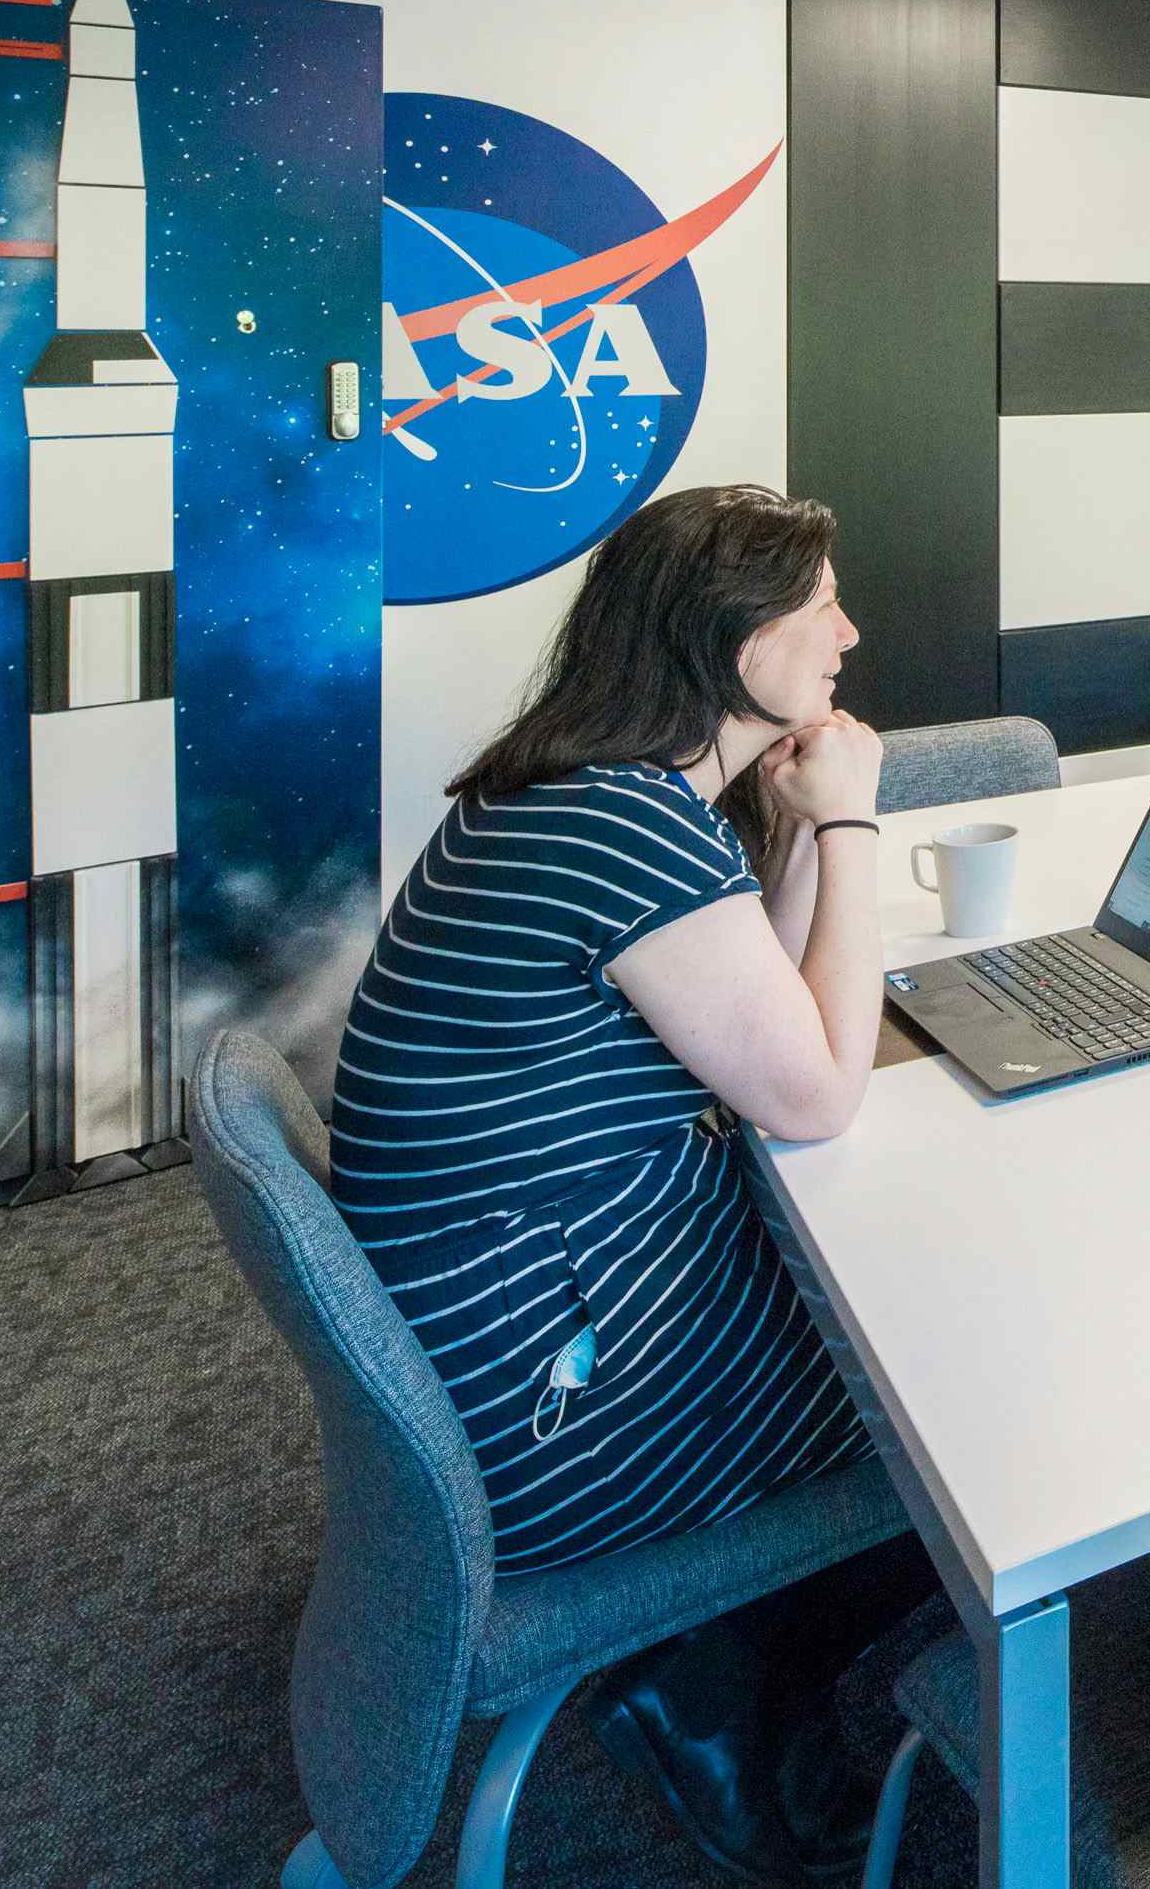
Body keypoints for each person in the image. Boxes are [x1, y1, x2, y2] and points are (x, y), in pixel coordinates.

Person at [330, 484, 930, 1885]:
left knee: (905, 1329)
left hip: (506, 1302)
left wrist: (789, 826)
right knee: (953, 1412)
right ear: (730, 639)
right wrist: (847, 827)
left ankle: (732, 1661)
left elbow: (758, 1019)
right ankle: (699, 1670)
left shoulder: (606, 794)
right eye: (819, 604)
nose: (849, 629)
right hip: (550, 1394)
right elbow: (814, 1089)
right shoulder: (619, 827)